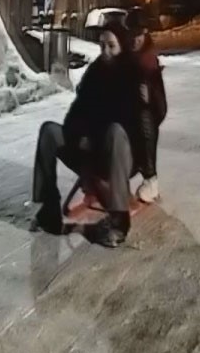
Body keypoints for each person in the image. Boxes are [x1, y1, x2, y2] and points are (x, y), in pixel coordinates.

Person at [31, 21, 140, 247]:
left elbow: (127, 121)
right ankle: (49, 206)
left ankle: (119, 221)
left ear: (122, 46)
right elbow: (75, 115)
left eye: (111, 46)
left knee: (116, 131)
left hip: (118, 155)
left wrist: (93, 137)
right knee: (49, 131)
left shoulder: (131, 75)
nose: (105, 51)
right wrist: (79, 135)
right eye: (102, 46)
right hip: (87, 150)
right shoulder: (94, 73)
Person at [127, 16, 168, 204]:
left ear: (145, 34)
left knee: (144, 116)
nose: (135, 40)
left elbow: (159, 109)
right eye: (131, 35)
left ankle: (151, 179)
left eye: (139, 35)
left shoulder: (148, 61)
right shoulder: (123, 57)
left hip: (142, 123)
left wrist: (146, 94)